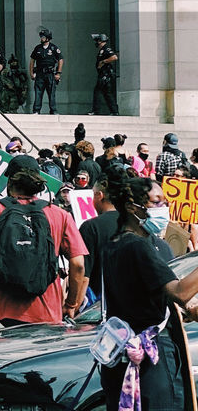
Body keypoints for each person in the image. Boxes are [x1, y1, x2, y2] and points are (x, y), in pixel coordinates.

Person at [97, 164, 198, 411]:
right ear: (133, 208)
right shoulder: (138, 247)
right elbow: (180, 292)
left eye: (164, 201)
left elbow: (147, 297)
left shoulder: (114, 245)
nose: (164, 208)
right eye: (155, 202)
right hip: (151, 358)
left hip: (123, 352)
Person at [0, 155, 87, 327]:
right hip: (47, 316)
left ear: (10, 183)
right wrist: (71, 303)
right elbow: (78, 263)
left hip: (2, 315)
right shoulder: (59, 214)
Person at [28, 26, 62, 114]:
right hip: (39, 74)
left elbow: (61, 60)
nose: (41, 38)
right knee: (38, 92)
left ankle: (53, 110)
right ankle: (36, 110)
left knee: (51, 93)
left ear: (47, 38)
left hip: (50, 74)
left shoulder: (54, 48)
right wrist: (31, 72)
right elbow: (32, 60)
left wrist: (58, 73)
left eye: (43, 37)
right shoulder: (38, 48)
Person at [91, 33, 119, 115]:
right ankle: (114, 111)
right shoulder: (102, 49)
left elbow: (114, 57)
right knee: (107, 93)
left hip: (105, 75)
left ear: (100, 41)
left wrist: (103, 61)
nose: (96, 42)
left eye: (97, 40)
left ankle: (96, 111)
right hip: (104, 75)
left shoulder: (106, 48)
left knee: (97, 92)